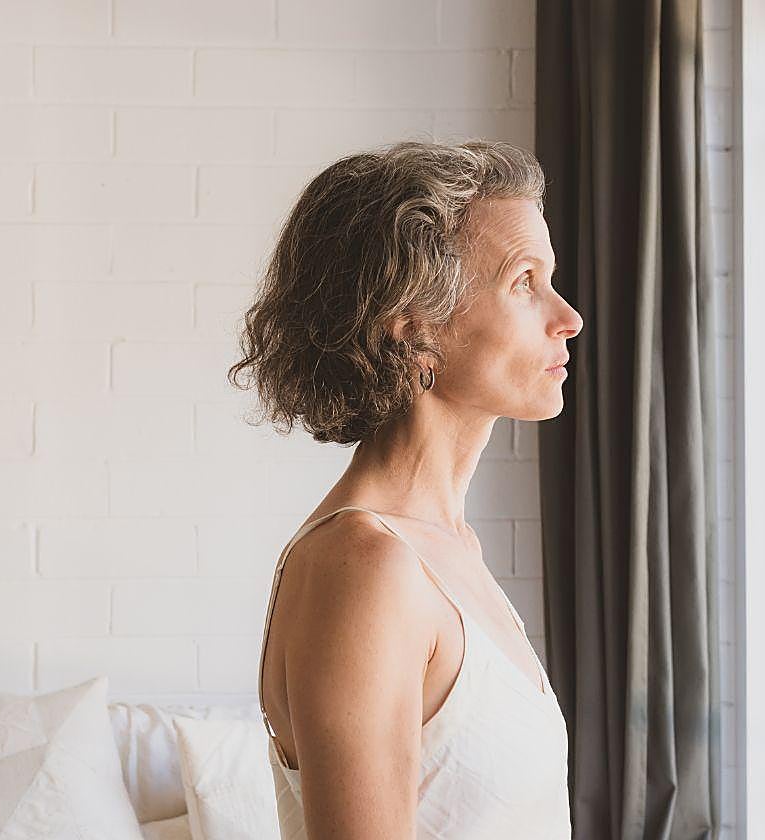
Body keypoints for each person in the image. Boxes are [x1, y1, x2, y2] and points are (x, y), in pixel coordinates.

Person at [228, 140, 583, 839]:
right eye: (524, 282)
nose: (567, 316)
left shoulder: (448, 547)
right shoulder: (366, 565)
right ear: (414, 324)